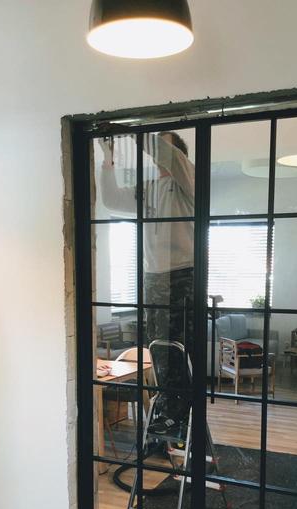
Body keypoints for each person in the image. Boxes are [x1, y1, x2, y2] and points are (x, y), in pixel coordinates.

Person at [99, 132, 195, 431]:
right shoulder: (148, 188)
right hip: (153, 277)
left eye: (162, 144)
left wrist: (137, 133)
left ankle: (179, 412)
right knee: (158, 346)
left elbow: (170, 157)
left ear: (178, 155)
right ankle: (167, 408)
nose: (156, 149)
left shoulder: (188, 181)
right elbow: (111, 200)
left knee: (177, 347)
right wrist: (108, 159)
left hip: (183, 273)